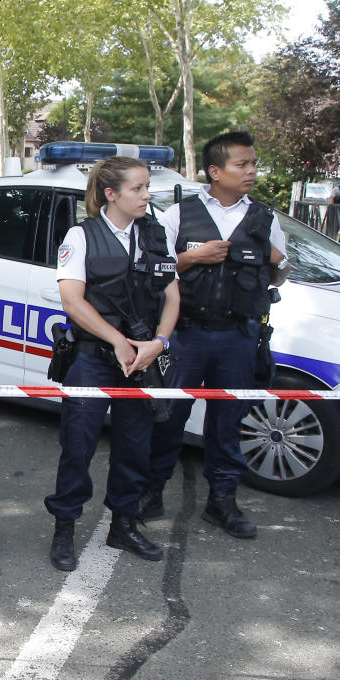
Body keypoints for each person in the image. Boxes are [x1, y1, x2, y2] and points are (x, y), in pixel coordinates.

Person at [141, 132, 290, 537]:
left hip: (239, 337)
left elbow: (277, 272)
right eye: (243, 165)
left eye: (253, 164)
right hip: (187, 334)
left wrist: (277, 262)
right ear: (214, 171)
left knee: (228, 423)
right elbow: (154, 271)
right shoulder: (178, 214)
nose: (252, 172)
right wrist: (192, 257)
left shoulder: (264, 217)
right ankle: (150, 493)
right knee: (168, 418)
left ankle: (222, 502)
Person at [44, 156, 180, 570]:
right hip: (93, 359)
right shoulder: (81, 236)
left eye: (146, 187)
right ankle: (64, 527)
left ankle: (124, 523)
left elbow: (173, 297)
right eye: (138, 188)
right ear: (111, 194)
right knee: (78, 446)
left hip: (142, 360)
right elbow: (72, 301)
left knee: (135, 447)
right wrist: (118, 341)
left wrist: (158, 342)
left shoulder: (156, 235)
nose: (147, 195)